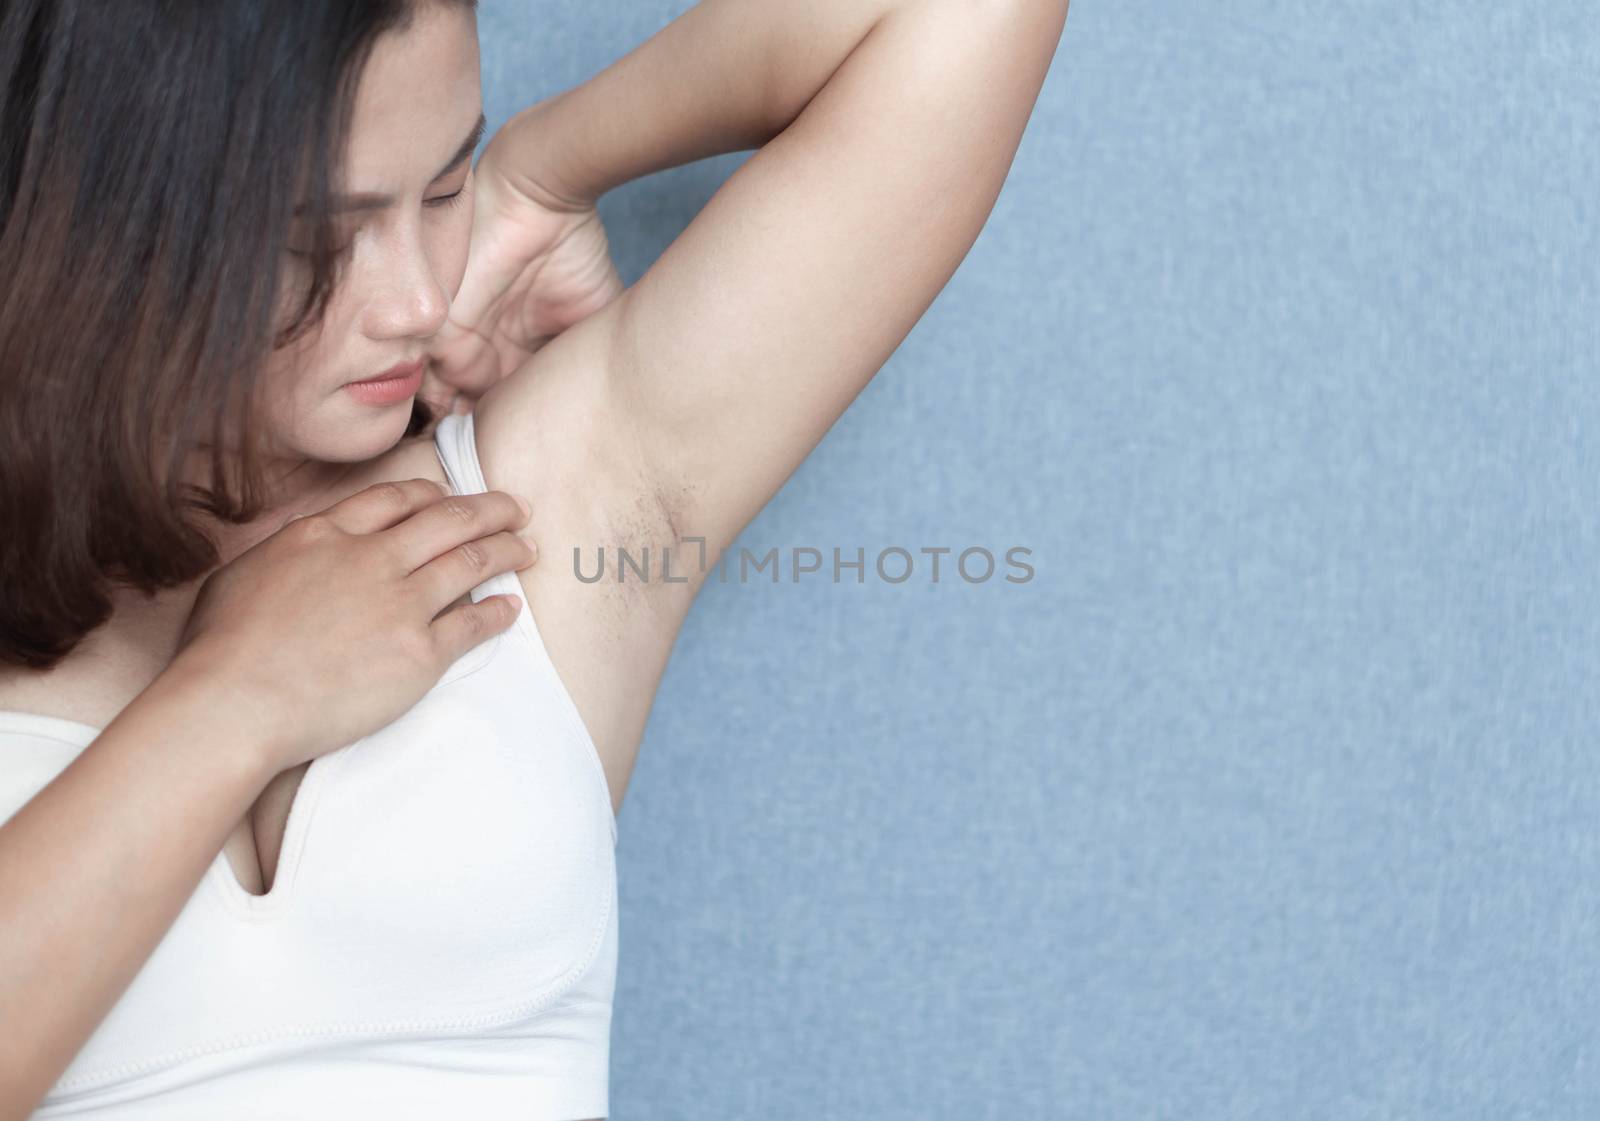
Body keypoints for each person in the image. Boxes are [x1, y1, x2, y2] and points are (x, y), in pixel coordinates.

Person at [0, 0, 1071, 1116]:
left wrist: (541, 173)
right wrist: (237, 697)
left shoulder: (540, 499)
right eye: (318, 234)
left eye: (442, 189)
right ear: (96, 222)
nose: (417, 300)